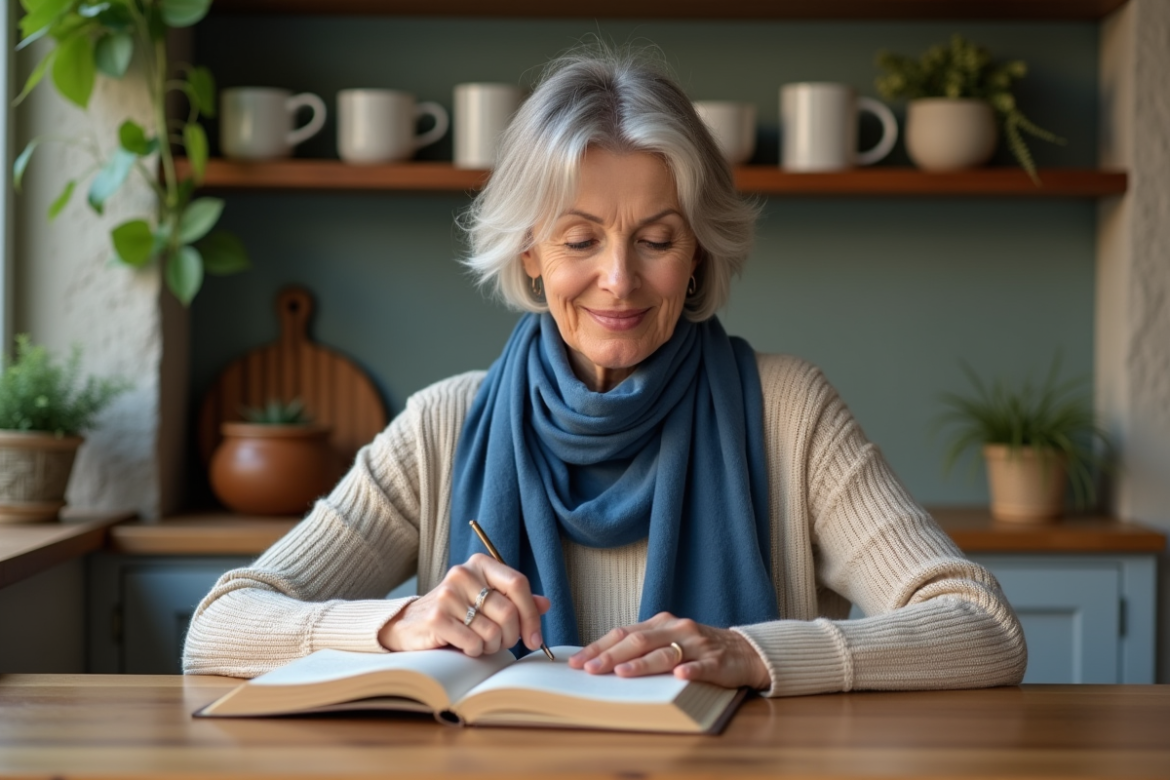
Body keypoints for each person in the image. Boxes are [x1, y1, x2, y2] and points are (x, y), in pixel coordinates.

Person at [184, 48, 1026, 696]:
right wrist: (402, 621)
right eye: (580, 240)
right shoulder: (446, 423)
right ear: (530, 252)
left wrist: (750, 650)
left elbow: (983, 629)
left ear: (697, 252)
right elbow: (219, 626)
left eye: (656, 239)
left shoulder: (786, 411)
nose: (619, 279)